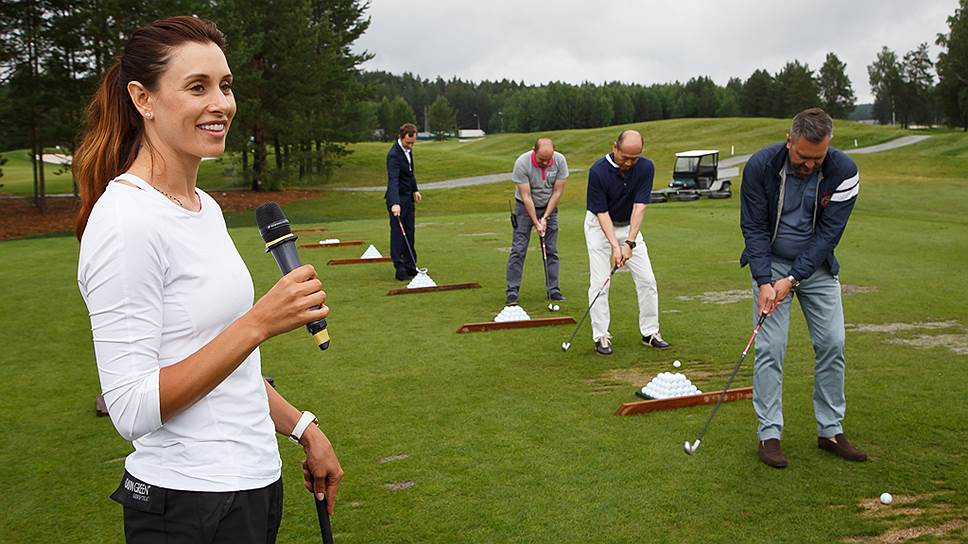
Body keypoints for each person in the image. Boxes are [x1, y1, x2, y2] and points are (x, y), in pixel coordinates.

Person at [74, 17, 343, 541]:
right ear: (142, 98)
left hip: (252, 485)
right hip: (187, 504)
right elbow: (130, 408)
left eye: (225, 85)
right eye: (197, 87)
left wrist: (303, 427)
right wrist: (259, 323)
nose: (221, 103)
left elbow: (221, 364)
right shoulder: (125, 221)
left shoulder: (205, 208)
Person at [740, 107, 867, 468]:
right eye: (802, 156)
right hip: (771, 263)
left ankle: (830, 430)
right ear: (789, 140)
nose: (810, 164)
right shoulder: (760, 166)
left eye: (818, 158)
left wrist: (793, 279)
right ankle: (769, 434)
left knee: (833, 342)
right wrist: (765, 280)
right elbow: (753, 228)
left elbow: (828, 236)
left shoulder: (845, 171)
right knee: (770, 347)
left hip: (817, 268)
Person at [584, 130, 670, 356]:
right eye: (625, 158)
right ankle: (601, 335)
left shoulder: (645, 167)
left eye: (635, 158)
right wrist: (615, 247)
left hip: (629, 227)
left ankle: (650, 333)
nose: (630, 163)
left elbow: (639, 207)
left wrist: (629, 243)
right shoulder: (598, 171)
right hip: (599, 227)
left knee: (647, 280)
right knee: (601, 282)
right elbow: (601, 213)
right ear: (615, 148)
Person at [505, 137, 569, 305]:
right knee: (518, 249)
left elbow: (557, 192)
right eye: (542, 159)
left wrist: (546, 217)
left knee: (551, 250)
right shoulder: (522, 163)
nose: (545, 163)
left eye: (549, 159)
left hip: (549, 206)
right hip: (524, 208)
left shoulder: (559, 161)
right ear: (534, 151)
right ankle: (512, 291)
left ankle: (553, 290)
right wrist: (536, 222)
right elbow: (526, 196)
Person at [386, 123, 423, 281]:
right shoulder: (393, 154)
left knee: (410, 232)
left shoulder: (408, 151)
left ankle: (410, 264)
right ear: (400, 137)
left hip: (408, 198)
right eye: (408, 142)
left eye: (413, 143)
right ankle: (399, 266)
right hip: (397, 199)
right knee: (398, 234)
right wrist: (395, 203)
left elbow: (410, 173)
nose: (410, 146)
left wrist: (415, 189)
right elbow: (393, 180)